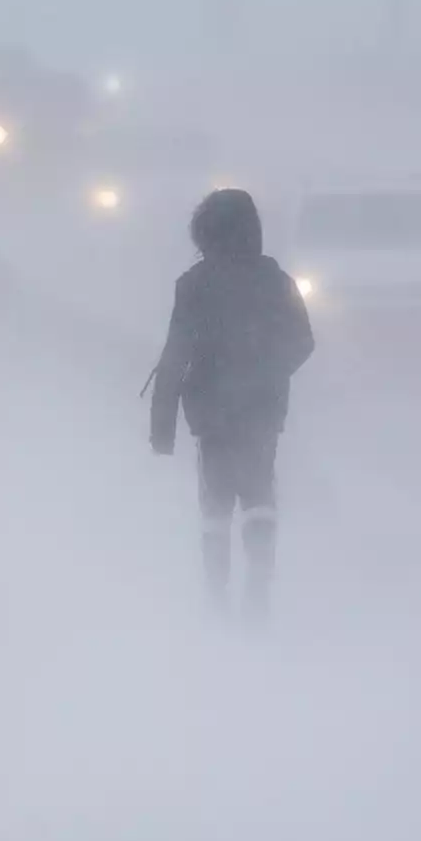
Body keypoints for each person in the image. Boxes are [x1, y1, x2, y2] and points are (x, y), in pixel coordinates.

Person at [148, 188, 314, 618]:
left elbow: (174, 357)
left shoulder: (193, 285)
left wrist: (162, 430)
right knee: (260, 497)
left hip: (210, 414)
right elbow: (304, 341)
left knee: (215, 505)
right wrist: (268, 372)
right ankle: (257, 593)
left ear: (204, 233)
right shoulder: (278, 282)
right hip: (262, 411)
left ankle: (215, 598)